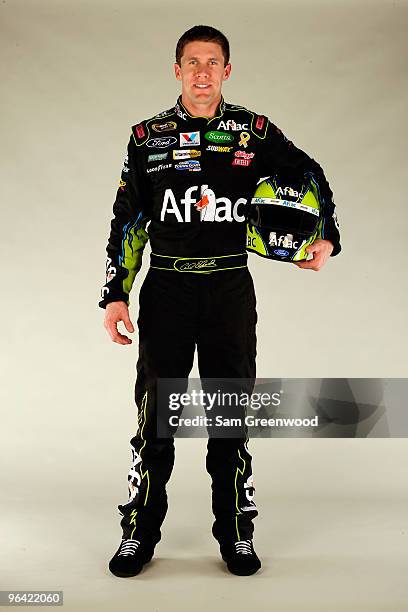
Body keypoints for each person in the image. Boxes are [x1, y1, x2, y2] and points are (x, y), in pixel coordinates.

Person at [99, 25, 341, 578]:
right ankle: (138, 533)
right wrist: (115, 294)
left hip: (230, 289)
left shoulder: (253, 131)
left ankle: (236, 534)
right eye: (192, 62)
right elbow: (127, 220)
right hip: (167, 291)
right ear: (177, 70)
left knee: (231, 416)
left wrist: (326, 235)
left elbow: (308, 175)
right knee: (155, 418)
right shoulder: (146, 137)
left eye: (212, 62)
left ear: (226, 71)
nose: (202, 72)